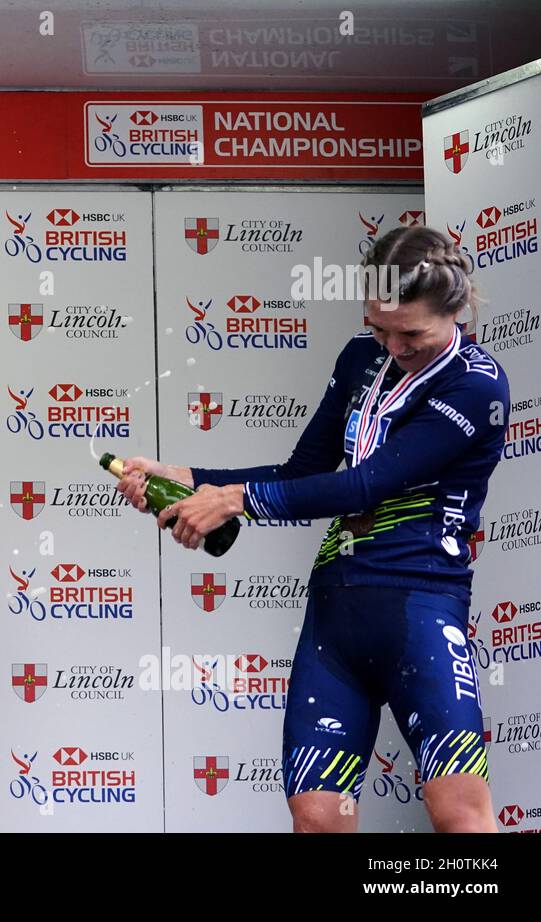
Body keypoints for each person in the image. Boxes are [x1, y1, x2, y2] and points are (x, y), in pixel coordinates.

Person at [118, 226, 507, 833]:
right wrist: (185, 476)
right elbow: (301, 473)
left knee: (458, 811)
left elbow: (364, 484)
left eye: (412, 334)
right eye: (380, 328)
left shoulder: (477, 384)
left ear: (455, 310)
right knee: (319, 818)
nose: (394, 346)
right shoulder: (360, 356)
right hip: (336, 610)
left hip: (420, 604)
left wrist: (234, 501)